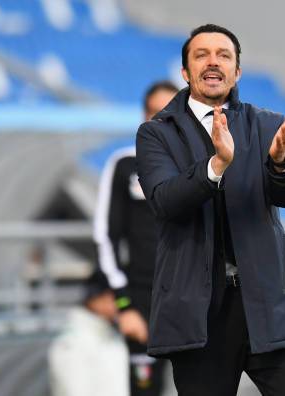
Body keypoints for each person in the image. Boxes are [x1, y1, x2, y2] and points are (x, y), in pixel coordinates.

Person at [136, 24, 285, 395]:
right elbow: (165, 200)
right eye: (201, 55)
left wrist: (281, 166)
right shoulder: (156, 134)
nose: (213, 62)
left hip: (270, 305)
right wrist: (216, 165)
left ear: (237, 71)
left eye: (224, 55)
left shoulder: (266, 124)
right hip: (198, 316)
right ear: (185, 73)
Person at [94, 81, 178, 396]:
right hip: (142, 308)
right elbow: (105, 237)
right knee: (144, 390)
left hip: (193, 307)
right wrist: (124, 305)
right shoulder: (124, 164)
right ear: (144, 116)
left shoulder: (203, 166)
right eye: (155, 113)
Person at [48, 270, 128, 396]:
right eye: (120, 299)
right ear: (96, 298)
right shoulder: (72, 344)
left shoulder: (112, 338)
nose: (123, 306)